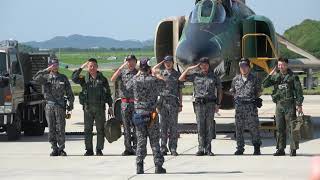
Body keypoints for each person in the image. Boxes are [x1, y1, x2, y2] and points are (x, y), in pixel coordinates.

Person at [126, 58, 166, 174]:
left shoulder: (135, 80)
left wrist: (137, 74)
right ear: (148, 68)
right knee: (154, 140)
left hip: (139, 113)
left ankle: (139, 165)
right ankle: (158, 165)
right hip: (151, 114)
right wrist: (155, 73)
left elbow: (127, 86)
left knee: (141, 140)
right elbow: (164, 83)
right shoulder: (153, 80)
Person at [179, 57, 222, 156]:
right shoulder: (195, 76)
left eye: (206, 64)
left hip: (210, 104)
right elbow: (181, 78)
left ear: (208, 65)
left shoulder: (214, 77)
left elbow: (219, 90)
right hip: (199, 104)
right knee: (200, 127)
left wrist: (218, 104)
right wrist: (189, 69)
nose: (204, 66)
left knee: (209, 127)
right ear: (199, 65)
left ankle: (208, 149)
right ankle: (201, 148)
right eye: (202, 64)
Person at [263, 57, 304, 156]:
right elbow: (265, 84)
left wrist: (299, 105)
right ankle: (280, 149)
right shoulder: (276, 76)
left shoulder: (293, 77)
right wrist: (270, 74)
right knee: (280, 128)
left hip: (289, 105)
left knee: (292, 128)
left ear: (287, 65)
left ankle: (293, 149)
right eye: (279, 65)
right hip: (279, 105)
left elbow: (299, 92)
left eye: (283, 65)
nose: (281, 67)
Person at [72, 58, 113, 156]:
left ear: (97, 67)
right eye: (90, 66)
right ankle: (89, 149)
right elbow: (74, 78)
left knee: (100, 130)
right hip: (88, 108)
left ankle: (99, 149)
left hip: (100, 108)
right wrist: (81, 67)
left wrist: (110, 106)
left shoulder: (102, 79)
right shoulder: (84, 79)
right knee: (88, 130)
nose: (92, 68)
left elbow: (108, 93)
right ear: (87, 67)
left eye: (94, 66)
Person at [33, 58, 74, 156]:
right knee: (51, 128)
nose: (55, 66)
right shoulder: (45, 77)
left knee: (60, 128)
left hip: (60, 106)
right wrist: (46, 70)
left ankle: (61, 148)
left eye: (56, 64)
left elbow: (69, 92)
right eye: (53, 64)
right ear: (49, 65)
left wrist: (71, 104)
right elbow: (35, 78)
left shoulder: (63, 78)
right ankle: (54, 148)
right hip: (49, 106)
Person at [152, 55, 183, 156]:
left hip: (173, 102)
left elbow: (180, 90)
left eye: (169, 62)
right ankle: (163, 147)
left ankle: (173, 148)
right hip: (162, 102)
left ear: (172, 63)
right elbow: (153, 70)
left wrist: (180, 104)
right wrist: (161, 62)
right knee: (163, 126)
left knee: (173, 127)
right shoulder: (161, 73)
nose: (168, 64)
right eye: (166, 62)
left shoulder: (177, 74)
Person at [230, 58, 262, 155]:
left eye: (245, 66)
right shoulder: (235, 79)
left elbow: (259, 92)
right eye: (241, 67)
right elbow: (233, 91)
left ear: (249, 67)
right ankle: (240, 148)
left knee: (254, 128)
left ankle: (256, 147)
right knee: (239, 128)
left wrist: (254, 99)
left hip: (251, 107)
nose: (243, 69)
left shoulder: (254, 79)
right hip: (239, 108)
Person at [110, 55, 138, 156]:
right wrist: (121, 67)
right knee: (126, 127)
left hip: (135, 103)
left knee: (136, 127)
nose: (130, 63)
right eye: (128, 61)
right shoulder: (122, 73)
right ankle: (128, 148)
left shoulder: (138, 73)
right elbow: (112, 79)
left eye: (132, 61)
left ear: (135, 62)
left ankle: (136, 147)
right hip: (125, 103)